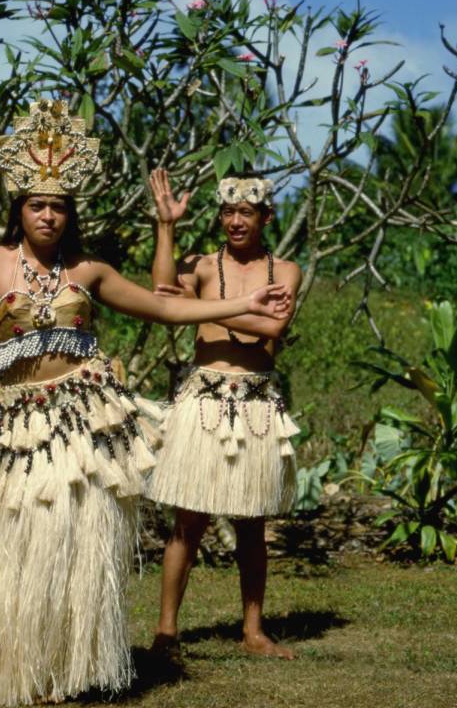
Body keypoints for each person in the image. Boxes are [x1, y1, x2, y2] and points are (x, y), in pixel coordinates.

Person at [0, 100, 293, 706]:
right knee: (19, 548)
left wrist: (241, 306)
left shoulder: (88, 271)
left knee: (74, 547)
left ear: (71, 213)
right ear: (19, 208)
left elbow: (164, 306)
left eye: (59, 206)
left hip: (85, 421)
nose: (48, 216)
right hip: (23, 428)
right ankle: (10, 664)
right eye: (37, 205)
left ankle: (63, 669)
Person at [144, 168, 304, 660]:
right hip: (205, 400)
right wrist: (166, 226)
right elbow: (161, 293)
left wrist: (202, 306)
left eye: (246, 212)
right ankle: (166, 632)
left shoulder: (285, 271)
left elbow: (273, 327)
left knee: (252, 522)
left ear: (266, 217)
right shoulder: (201, 264)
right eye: (229, 212)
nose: (236, 221)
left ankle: (253, 631)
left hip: (256, 403)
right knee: (188, 522)